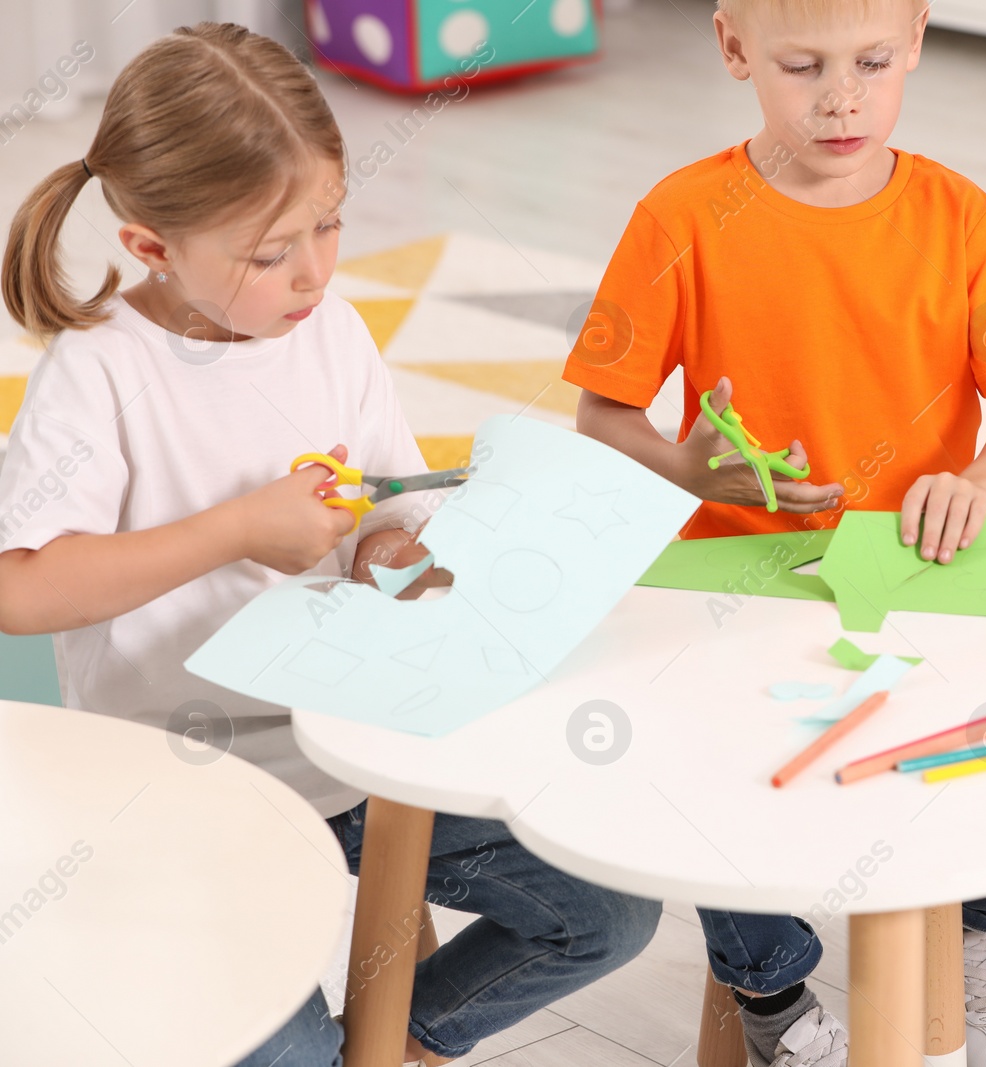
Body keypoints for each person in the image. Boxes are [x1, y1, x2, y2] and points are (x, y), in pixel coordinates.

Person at [0, 24, 659, 1065]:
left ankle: (391, 1047)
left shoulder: (334, 331)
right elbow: (21, 589)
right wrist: (235, 529)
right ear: (151, 247)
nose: (313, 273)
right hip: (183, 787)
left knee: (611, 912)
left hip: (352, 755)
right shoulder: (101, 371)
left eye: (330, 225)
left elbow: (389, 507)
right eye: (270, 254)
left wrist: (383, 551)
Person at [564, 1, 986, 1062]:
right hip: (738, 578)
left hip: (923, 569)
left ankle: (974, 936)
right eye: (803, 67)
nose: (842, 96)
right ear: (734, 49)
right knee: (711, 761)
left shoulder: (961, 215)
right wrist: (683, 466)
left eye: (873, 62)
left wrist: (980, 482)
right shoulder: (681, 214)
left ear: (916, 41)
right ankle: (771, 997)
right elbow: (600, 416)